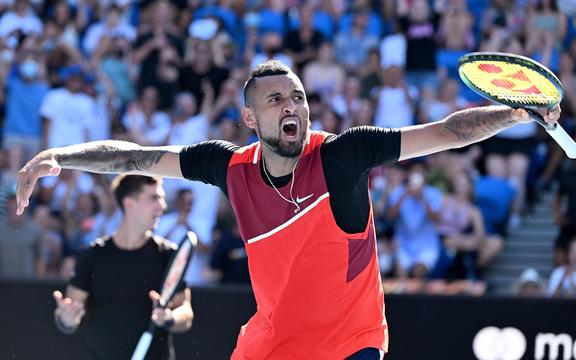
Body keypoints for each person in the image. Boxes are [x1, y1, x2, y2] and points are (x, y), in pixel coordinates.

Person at [17, 60, 561, 359]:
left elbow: (448, 131)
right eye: (276, 100)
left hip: (353, 343)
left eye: (297, 96)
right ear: (251, 119)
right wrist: (59, 157)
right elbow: (134, 156)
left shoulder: (345, 154)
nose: (292, 106)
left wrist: (517, 114)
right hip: (272, 343)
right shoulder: (228, 167)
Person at [50, 175, 193, 360]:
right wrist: (67, 318)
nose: (162, 206)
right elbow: (68, 319)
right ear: (129, 203)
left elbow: (186, 313)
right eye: (154, 198)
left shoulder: (168, 255)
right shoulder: (92, 256)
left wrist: (169, 318)